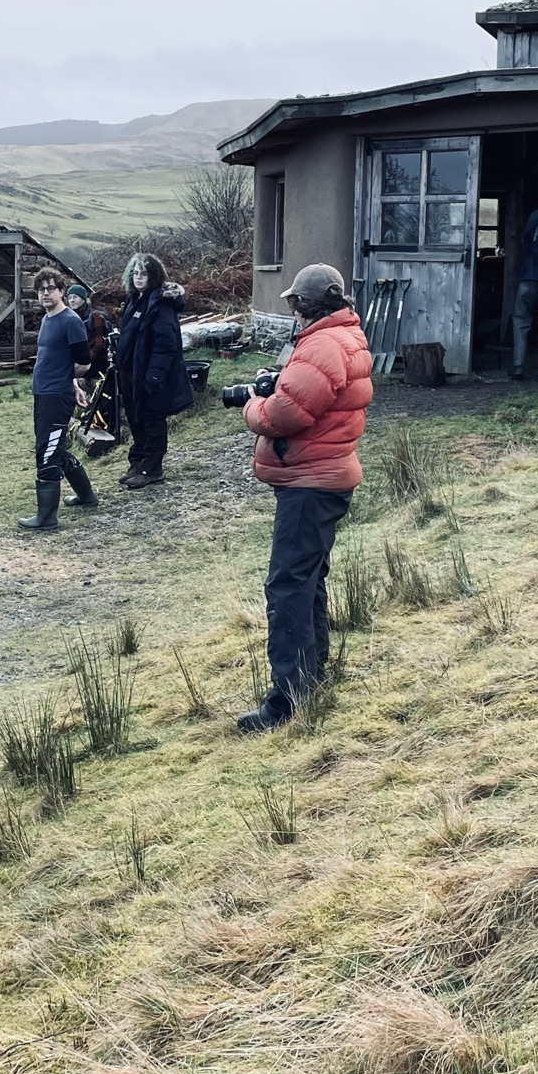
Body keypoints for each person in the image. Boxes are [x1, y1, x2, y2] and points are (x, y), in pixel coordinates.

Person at [236, 264, 373, 733]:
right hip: (326, 477)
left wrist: (254, 404)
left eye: (295, 302)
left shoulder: (320, 343)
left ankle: (287, 701)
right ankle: (309, 679)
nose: (291, 309)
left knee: (288, 585)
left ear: (308, 304)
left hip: (310, 482)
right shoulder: (342, 336)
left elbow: (286, 414)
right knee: (307, 580)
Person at [17, 266, 94, 530]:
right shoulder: (47, 319)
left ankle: (46, 518)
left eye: (51, 288)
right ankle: (87, 496)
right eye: (41, 289)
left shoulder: (70, 321)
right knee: (53, 446)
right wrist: (70, 381)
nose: (46, 293)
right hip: (43, 393)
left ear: (61, 291)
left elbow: (84, 363)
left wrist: (68, 382)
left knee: (47, 451)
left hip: (55, 396)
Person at [114, 252, 193, 490]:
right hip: (131, 374)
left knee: (152, 420)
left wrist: (154, 375)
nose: (138, 278)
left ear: (154, 276)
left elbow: (166, 344)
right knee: (136, 418)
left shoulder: (160, 304)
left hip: (150, 375)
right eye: (135, 273)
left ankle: (152, 469)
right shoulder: (133, 300)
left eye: (144, 274)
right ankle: (138, 464)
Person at [68, 281, 120, 462]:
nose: (72, 300)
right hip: (83, 368)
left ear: (83, 299)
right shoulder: (71, 318)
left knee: (97, 396)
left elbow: (98, 346)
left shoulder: (95, 317)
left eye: (75, 296)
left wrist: (82, 361)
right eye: (69, 297)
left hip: (97, 368)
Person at [512, 200, 538, 383]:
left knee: (521, 320)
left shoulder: (535, 215)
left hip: (529, 275)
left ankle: (518, 366)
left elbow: (525, 240)